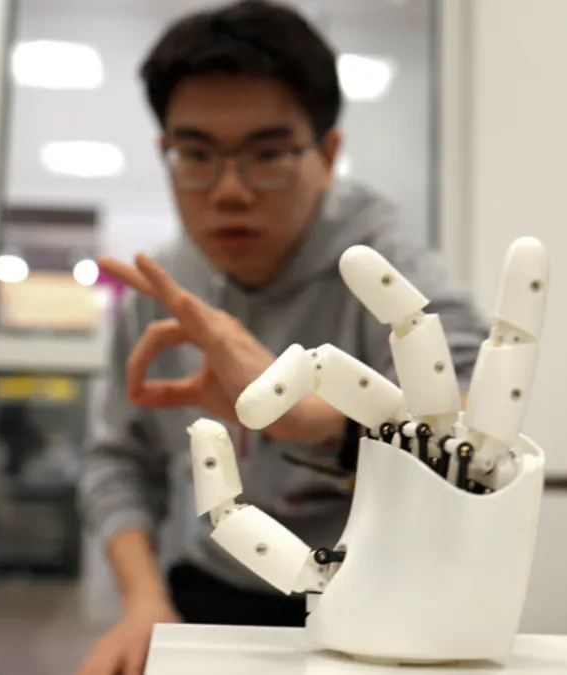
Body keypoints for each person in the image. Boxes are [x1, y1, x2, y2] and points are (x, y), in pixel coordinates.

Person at [75, 2, 489, 673]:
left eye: (267, 154)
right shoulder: (162, 292)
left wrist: (313, 417)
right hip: (214, 586)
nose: (230, 191)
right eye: (196, 154)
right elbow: (118, 462)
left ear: (328, 155)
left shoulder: (381, 265)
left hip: (378, 597)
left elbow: (479, 420)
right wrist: (143, 600)